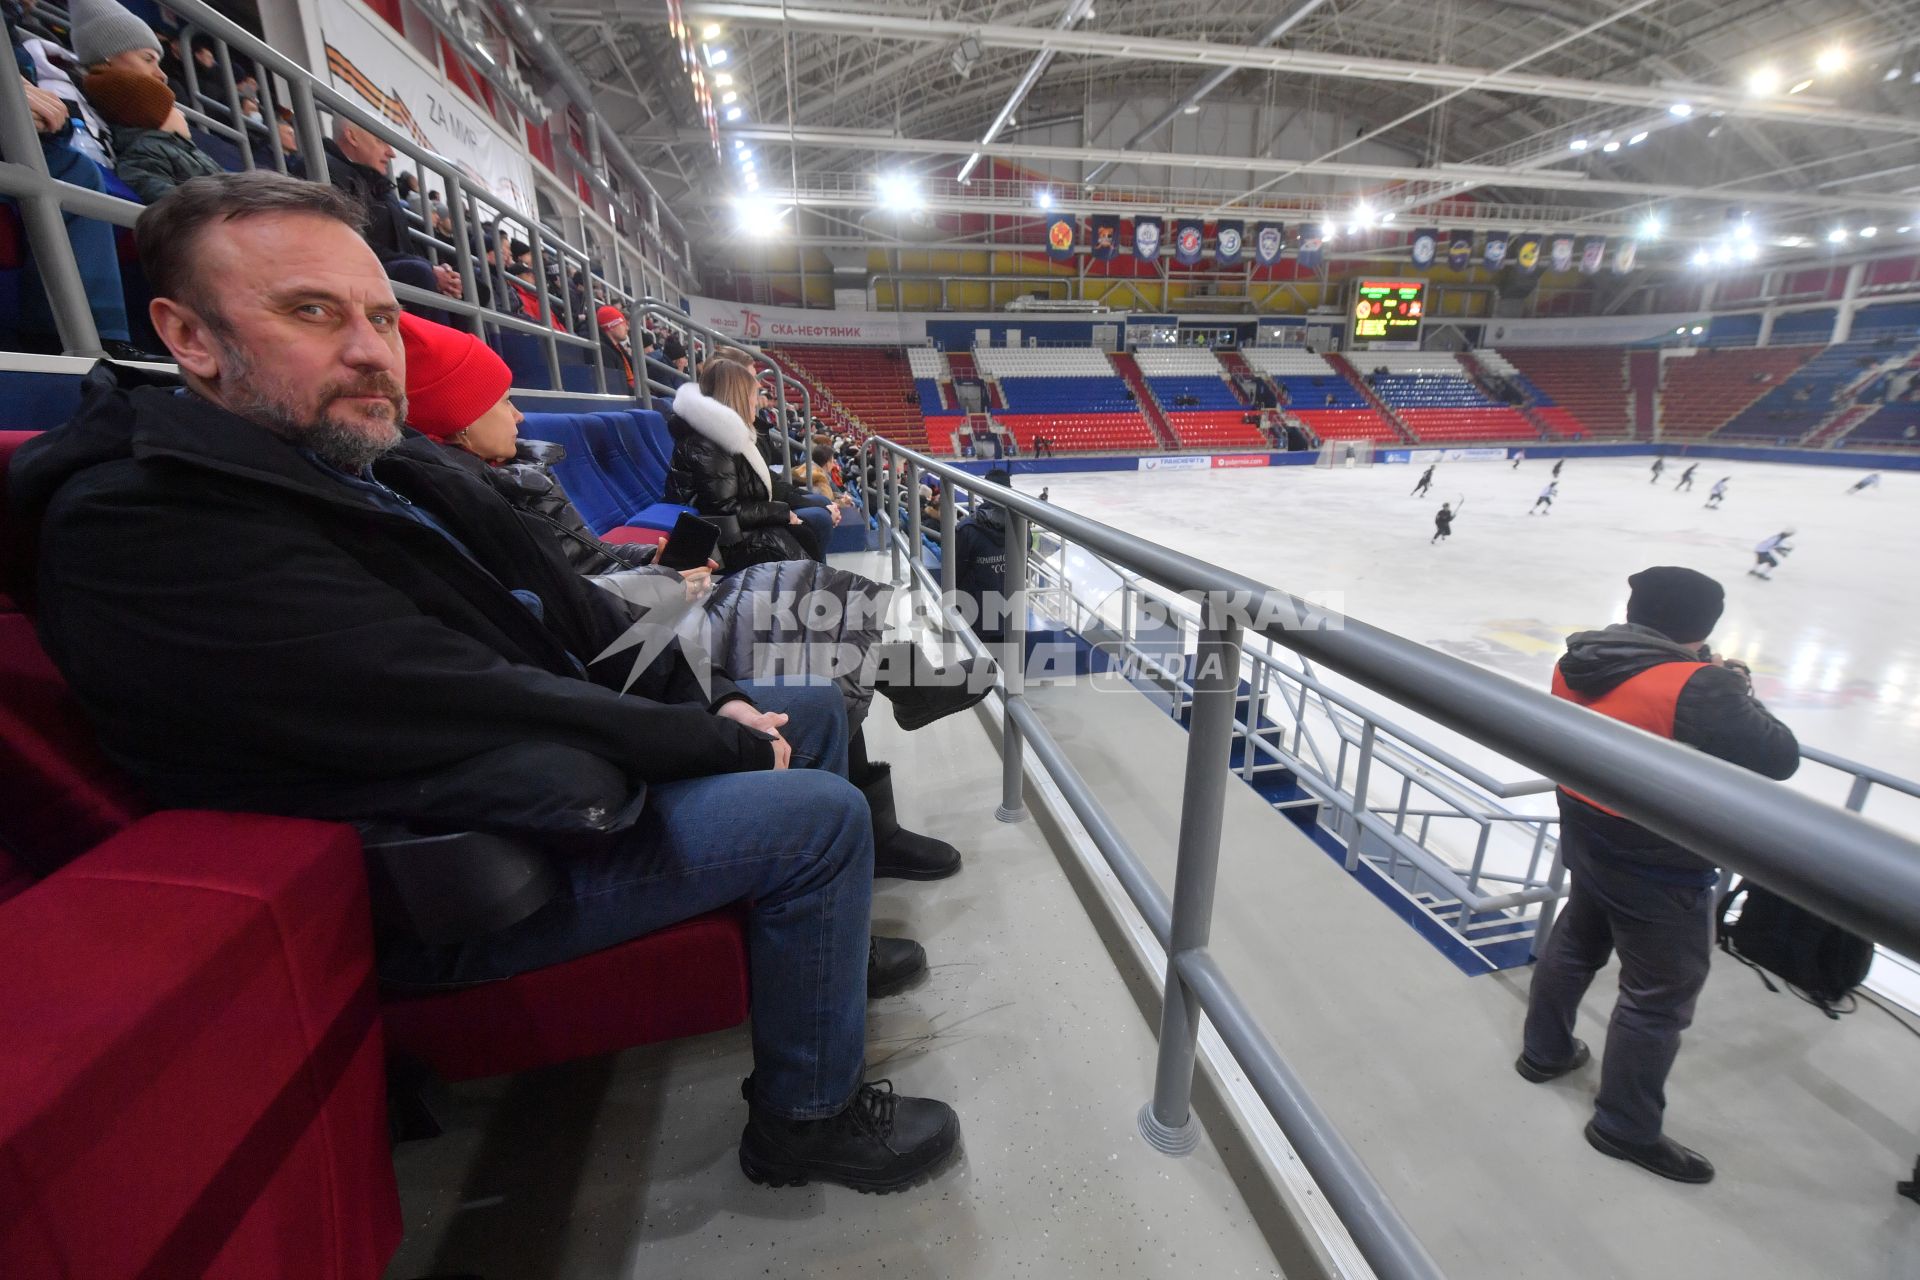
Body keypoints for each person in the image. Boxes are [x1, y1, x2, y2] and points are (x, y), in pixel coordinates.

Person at [4, 172, 960, 1192]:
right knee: (815, 816)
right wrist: (705, 740)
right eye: (311, 312)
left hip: (515, 782)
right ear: (189, 337)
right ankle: (804, 1118)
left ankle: (821, 963)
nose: (372, 349)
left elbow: (572, 614)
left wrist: (699, 705)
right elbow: (451, 688)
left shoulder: (355, 462)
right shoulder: (144, 522)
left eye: (381, 316)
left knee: (805, 708)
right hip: (432, 862)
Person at [395, 312, 987, 878]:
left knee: (823, 596)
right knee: (810, 602)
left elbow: (579, 565)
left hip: (634, 602)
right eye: (500, 401)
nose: (519, 415)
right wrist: (665, 581)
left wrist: (649, 560)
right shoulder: (478, 496)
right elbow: (566, 602)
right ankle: (894, 746)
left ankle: (897, 736)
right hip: (629, 630)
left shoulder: (506, 474)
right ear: (460, 418)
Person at [1519, 567, 1798, 1185]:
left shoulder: (1579, 657)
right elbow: (1780, 757)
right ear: (1704, 627)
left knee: (1577, 940)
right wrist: (1735, 687)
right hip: (1660, 857)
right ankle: (1624, 1126)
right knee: (1659, 995)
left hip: (1587, 830)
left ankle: (1544, 1052)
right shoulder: (1702, 688)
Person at [665, 361, 819, 570]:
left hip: (732, 532)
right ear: (739, 398)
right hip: (720, 544)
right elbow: (725, 510)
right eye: (754, 395)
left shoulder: (724, 436)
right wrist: (781, 512)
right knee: (803, 539)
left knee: (806, 531)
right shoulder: (710, 444)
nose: (757, 402)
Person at [322, 118, 463, 315]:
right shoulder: (326, 172)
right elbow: (351, 243)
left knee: (465, 281)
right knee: (420, 274)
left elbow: (400, 245)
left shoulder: (380, 185)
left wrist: (437, 269)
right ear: (352, 136)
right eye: (380, 141)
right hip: (353, 269)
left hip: (384, 266)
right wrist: (428, 269)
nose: (392, 153)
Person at [80, 64, 222, 201]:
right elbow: (171, 202)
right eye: (172, 108)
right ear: (152, 117)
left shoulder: (179, 146)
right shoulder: (143, 154)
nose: (182, 114)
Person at [595, 303, 635, 392]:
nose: (627, 328)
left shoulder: (617, 347)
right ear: (611, 326)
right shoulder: (604, 351)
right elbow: (616, 386)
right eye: (623, 324)